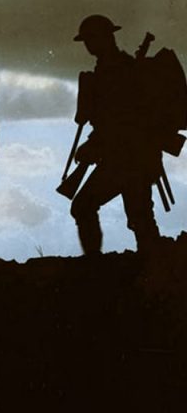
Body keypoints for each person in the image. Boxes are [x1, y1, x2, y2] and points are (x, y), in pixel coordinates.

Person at [70, 14, 163, 255]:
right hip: (129, 158)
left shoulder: (117, 72)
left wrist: (93, 146)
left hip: (129, 159)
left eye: (91, 39)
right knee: (140, 217)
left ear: (106, 37)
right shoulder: (112, 69)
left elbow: (121, 121)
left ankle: (102, 266)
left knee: (133, 216)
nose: (88, 45)